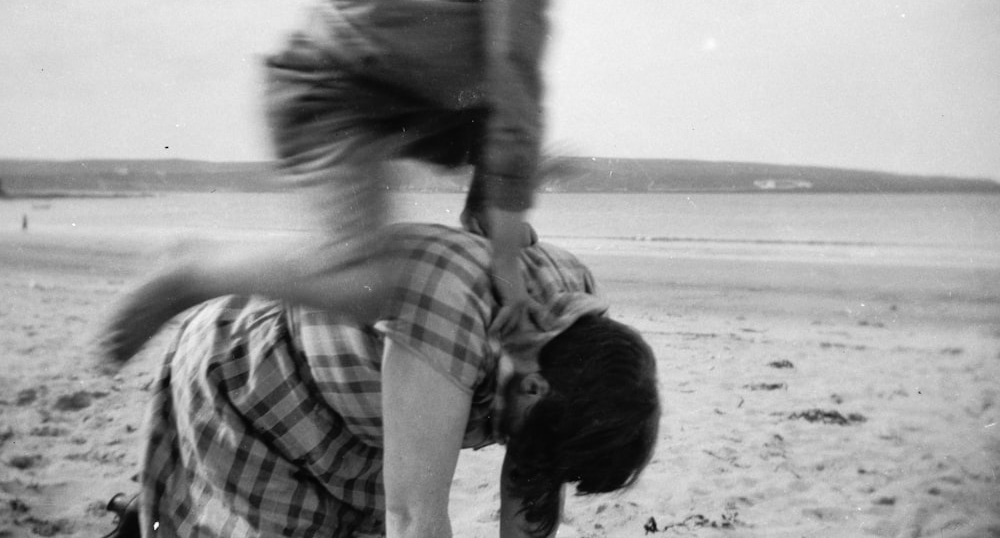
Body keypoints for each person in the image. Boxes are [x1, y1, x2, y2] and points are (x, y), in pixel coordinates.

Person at [101, 0, 662, 365]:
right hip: (330, 99)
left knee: (512, 142)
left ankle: (488, 216)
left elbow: (501, 92)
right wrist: (508, 264)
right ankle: (193, 269)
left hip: (398, 95)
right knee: (367, 285)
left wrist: (502, 208)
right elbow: (518, 87)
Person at [102, 223, 660, 538]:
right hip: (261, 392)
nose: (513, 450)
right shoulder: (452, 318)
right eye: (526, 434)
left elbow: (535, 477)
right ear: (535, 388)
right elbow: (414, 518)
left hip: (363, 431)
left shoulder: (575, 342)